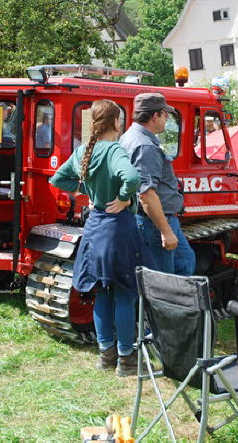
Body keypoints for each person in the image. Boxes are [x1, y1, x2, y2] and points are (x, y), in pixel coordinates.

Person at [50, 100, 152, 376]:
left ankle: (105, 357)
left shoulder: (85, 150)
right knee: (124, 293)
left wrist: (86, 191)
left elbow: (57, 180)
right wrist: (122, 198)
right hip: (117, 228)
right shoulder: (114, 149)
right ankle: (126, 360)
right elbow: (131, 177)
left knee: (102, 293)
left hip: (94, 229)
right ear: (116, 123)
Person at [119, 93, 195, 276]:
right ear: (155, 116)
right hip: (155, 222)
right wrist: (165, 231)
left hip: (155, 219)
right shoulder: (145, 146)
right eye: (164, 113)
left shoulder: (129, 137)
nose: (167, 117)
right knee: (162, 279)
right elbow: (146, 194)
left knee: (185, 262)